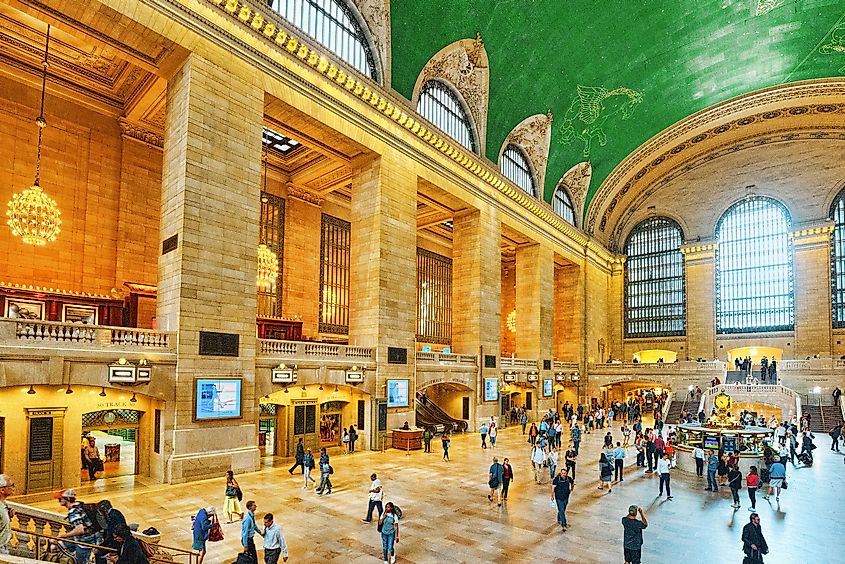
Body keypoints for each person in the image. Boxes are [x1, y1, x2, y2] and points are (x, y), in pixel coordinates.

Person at [55, 489, 102, 564]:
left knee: (81, 561)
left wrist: (63, 536)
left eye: (60, 499)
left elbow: (79, 530)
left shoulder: (73, 512)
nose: (58, 500)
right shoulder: (80, 505)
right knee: (60, 544)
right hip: (95, 536)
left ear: (67, 499)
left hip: (85, 541)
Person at [0, 475, 15, 556]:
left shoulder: (4, 504)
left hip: (4, 547)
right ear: (2, 490)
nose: (13, 488)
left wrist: (8, 515)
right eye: (11, 486)